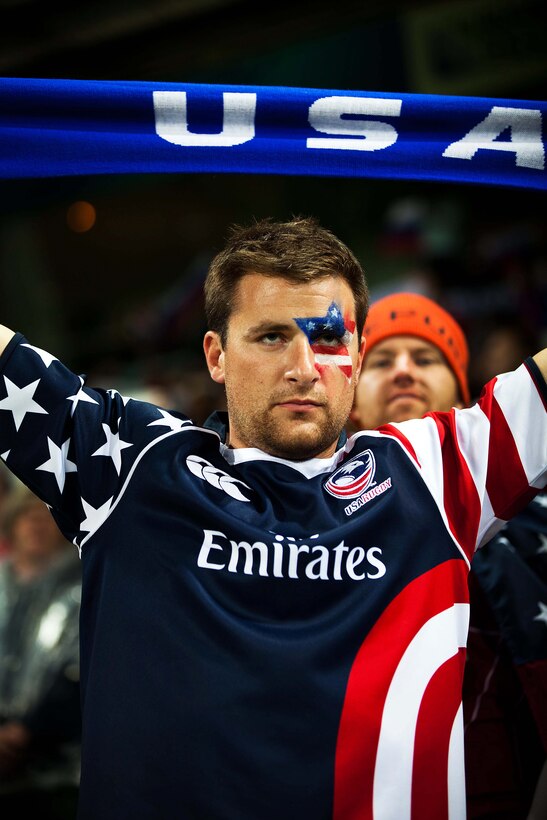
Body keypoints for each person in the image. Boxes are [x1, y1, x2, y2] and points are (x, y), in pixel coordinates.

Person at [0, 215, 545, 820]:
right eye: (270, 337)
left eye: (330, 338)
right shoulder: (136, 464)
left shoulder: (434, 471)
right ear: (216, 356)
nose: (305, 366)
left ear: (359, 354)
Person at [351, 291, 547, 820]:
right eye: (382, 361)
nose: (405, 373)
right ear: (347, 397)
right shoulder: (299, 531)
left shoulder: (539, 521)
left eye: (427, 357)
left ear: (466, 394)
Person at [0, 487, 81, 819]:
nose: (35, 525)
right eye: (27, 517)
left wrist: (22, 733)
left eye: (45, 517)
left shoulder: (82, 586)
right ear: (12, 524)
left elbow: (79, 672)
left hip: (53, 768)